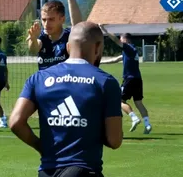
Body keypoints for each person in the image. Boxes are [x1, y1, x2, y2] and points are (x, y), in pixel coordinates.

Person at [10, 22, 123, 177]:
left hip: (47, 171)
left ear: (68, 47)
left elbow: (15, 122)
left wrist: (41, 147)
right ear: (97, 48)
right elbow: (114, 140)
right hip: (84, 170)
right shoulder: (105, 82)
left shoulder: (38, 78)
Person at [99, 24, 152, 134]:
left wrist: (105, 30)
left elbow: (115, 40)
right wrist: (100, 62)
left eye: (121, 39)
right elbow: (115, 59)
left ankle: (134, 118)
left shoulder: (128, 48)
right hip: (137, 79)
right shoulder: (131, 50)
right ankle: (147, 125)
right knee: (138, 102)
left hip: (129, 79)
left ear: (125, 40)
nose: (120, 41)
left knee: (119, 100)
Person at [27, 0, 82, 70]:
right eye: (44, 20)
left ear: (62, 19)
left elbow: (78, 25)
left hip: (65, 81)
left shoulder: (68, 36)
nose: (46, 24)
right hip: (46, 82)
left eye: (51, 19)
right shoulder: (41, 37)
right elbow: (33, 50)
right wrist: (33, 39)